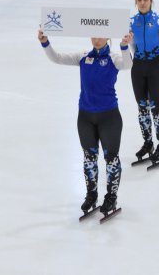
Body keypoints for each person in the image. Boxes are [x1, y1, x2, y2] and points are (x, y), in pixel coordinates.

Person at [38, 30, 133, 217]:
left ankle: (111, 197)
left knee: (111, 159)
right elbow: (57, 58)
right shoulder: (83, 57)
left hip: (109, 117)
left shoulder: (114, 58)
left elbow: (128, 64)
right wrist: (45, 42)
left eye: (100, 35)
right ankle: (91, 195)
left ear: (108, 37)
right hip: (86, 117)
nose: (96, 39)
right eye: (93, 35)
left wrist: (124, 45)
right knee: (89, 158)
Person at [129, 0, 159, 164]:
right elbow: (131, 45)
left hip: (156, 67)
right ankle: (148, 142)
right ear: (135, 2)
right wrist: (139, 61)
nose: (142, 2)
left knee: (156, 109)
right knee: (142, 108)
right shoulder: (131, 22)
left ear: (151, 0)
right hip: (138, 67)